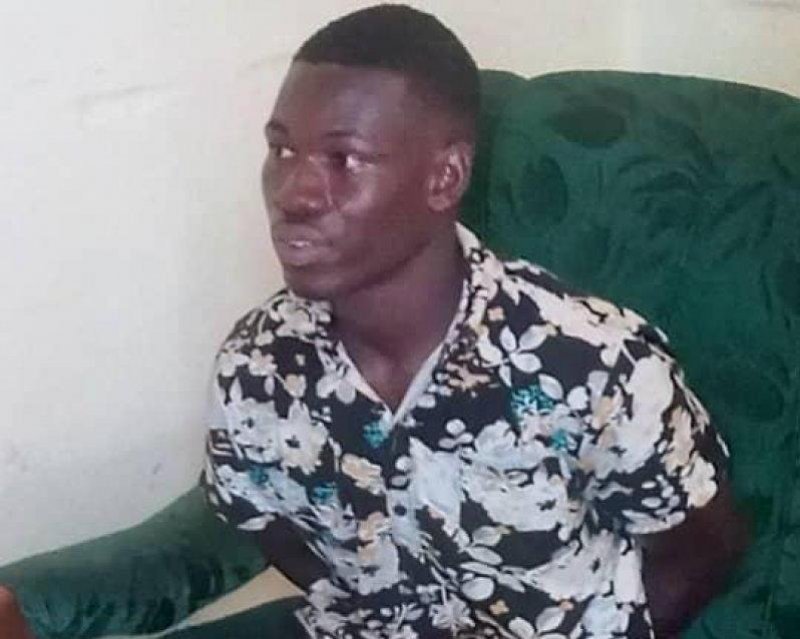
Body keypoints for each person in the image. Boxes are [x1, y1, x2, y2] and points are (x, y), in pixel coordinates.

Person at [1, 4, 748, 639]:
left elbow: (703, 547)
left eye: (344, 159)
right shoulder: (258, 364)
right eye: (281, 148)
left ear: (444, 177)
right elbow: (265, 523)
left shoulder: (589, 361)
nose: (293, 192)